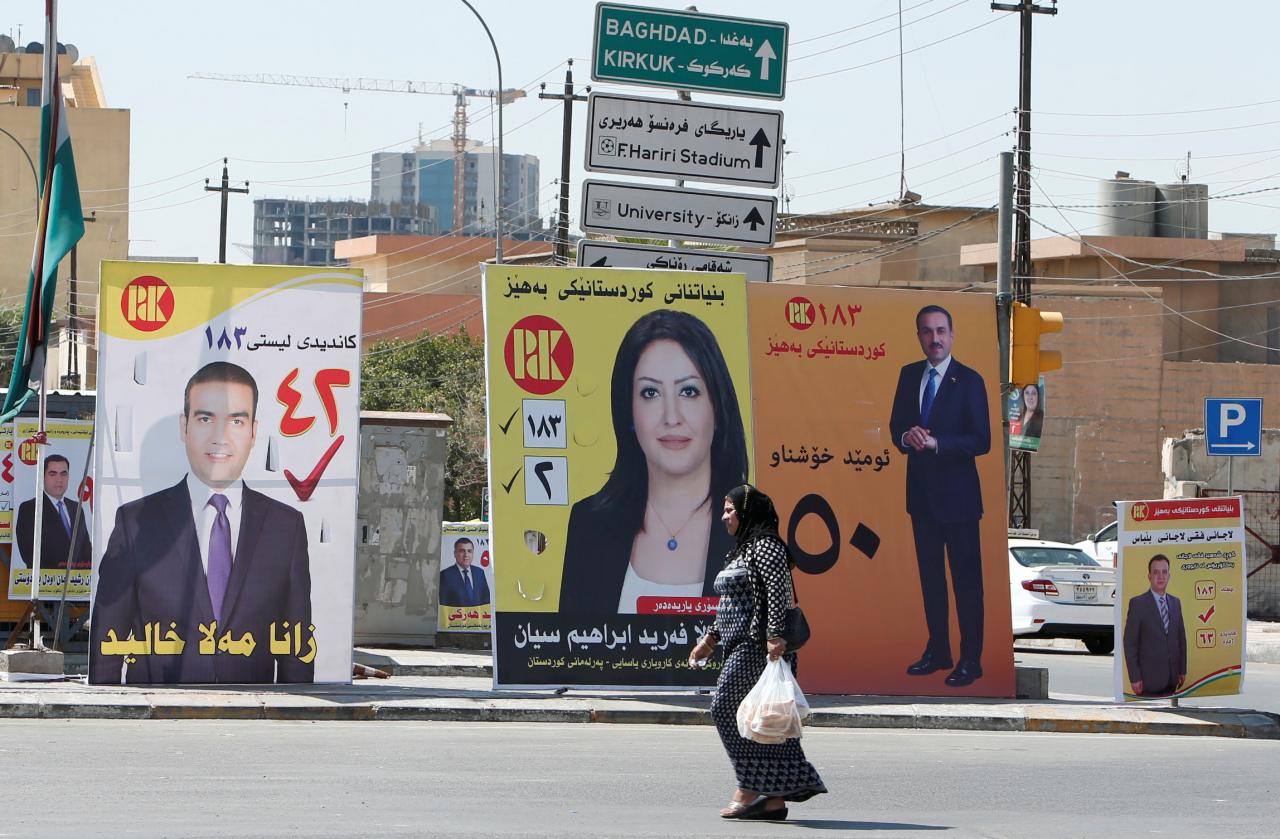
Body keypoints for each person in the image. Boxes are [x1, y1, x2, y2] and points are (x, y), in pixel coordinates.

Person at [90, 361, 313, 685]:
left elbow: (297, 646)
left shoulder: (286, 527)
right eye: (205, 418)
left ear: (253, 432)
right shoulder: (136, 522)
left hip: (253, 722)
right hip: (158, 720)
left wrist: (298, 720)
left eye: (236, 420)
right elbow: (108, 635)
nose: (220, 437)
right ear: (185, 427)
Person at [560, 309, 749, 614]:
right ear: (629, 412)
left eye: (689, 391)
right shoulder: (590, 524)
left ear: (717, 407)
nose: (671, 417)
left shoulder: (754, 527)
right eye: (650, 393)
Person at [688, 484, 826, 821]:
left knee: (723, 708)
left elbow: (778, 591)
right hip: (740, 644)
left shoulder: (767, 547)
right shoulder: (741, 551)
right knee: (763, 720)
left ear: (748, 511)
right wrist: (710, 640)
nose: (724, 517)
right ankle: (774, 799)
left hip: (760, 647)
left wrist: (775, 635)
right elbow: (731, 604)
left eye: (730, 510)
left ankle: (748, 786)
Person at [889, 304, 991, 688]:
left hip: (961, 501)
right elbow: (896, 425)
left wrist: (937, 442)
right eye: (928, 332)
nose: (935, 338)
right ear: (919, 336)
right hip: (921, 498)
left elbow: (981, 440)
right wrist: (906, 437)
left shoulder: (970, 380)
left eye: (941, 331)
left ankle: (971, 659)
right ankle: (938, 650)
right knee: (931, 579)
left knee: (966, 582)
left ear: (952, 335)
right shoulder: (908, 375)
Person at [1123, 554, 1187, 697]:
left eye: (1164, 572)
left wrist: (1182, 669)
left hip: (1172, 679)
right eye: (1156, 572)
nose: (1160, 576)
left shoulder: (1176, 603)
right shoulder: (1138, 604)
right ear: (1149, 576)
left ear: (1169, 576)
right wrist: (1134, 677)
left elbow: (1181, 639)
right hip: (1147, 682)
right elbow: (1130, 644)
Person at [15, 454, 91, 571]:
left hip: (78, 583)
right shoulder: (30, 509)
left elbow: (86, 550)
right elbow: (29, 554)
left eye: (63, 474)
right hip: (46, 583)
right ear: (42, 476)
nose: (59, 479)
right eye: (53, 474)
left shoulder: (76, 508)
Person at [439, 537, 490, 607]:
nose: (466, 555)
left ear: (473, 553)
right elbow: (443, 604)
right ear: (455, 553)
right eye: (462, 551)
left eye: (469, 551)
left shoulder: (480, 572)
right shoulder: (445, 575)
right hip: (456, 616)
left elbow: (486, 600)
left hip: (478, 616)